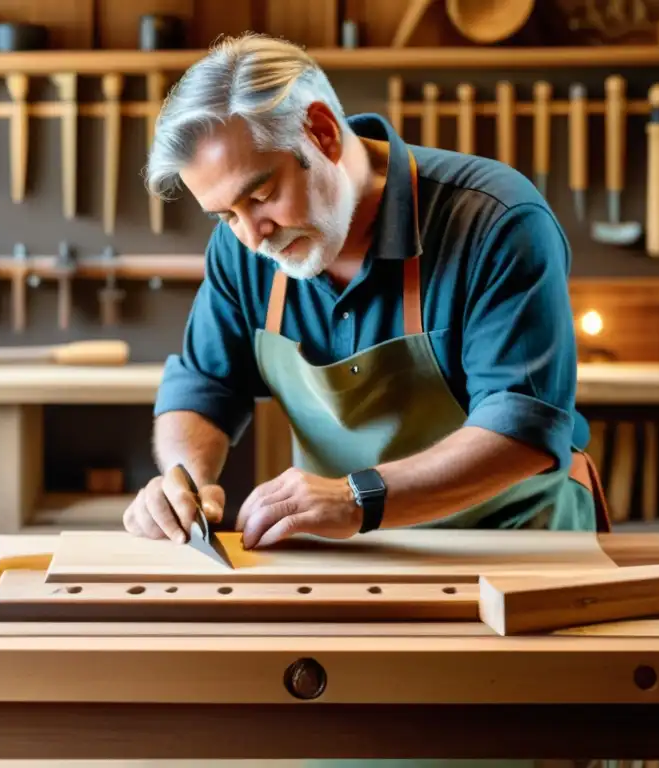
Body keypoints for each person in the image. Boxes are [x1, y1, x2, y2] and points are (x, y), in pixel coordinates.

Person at [124, 32, 609, 555]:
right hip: (353, 553)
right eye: (224, 215)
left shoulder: (497, 221)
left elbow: (522, 431)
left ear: (323, 132)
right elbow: (205, 384)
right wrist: (184, 482)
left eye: (261, 195)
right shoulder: (243, 244)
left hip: (517, 546)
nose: (251, 236)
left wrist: (359, 499)